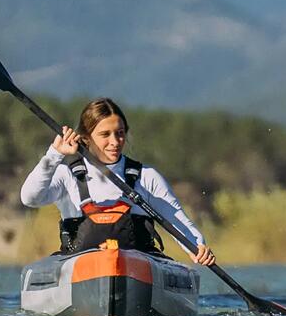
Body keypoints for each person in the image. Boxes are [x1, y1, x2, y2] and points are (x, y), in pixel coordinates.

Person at [19, 97, 216, 266]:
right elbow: (30, 198)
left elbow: (176, 219)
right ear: (86, 138)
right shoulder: (66, 173)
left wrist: (197, 246)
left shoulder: (146, 176)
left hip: (139, 267)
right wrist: (53, 155)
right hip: (77, 265)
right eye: (105, 134)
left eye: (120, 133)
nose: (115, 142)